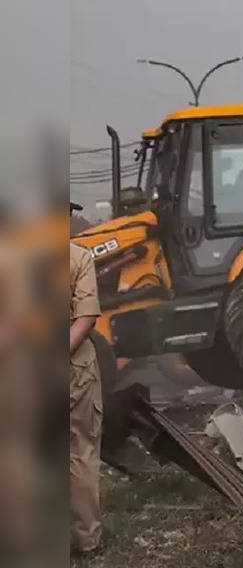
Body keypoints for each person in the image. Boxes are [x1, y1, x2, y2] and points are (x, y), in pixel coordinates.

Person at [68, 237, 102, 555]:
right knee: (81, 450)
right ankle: (87, 542)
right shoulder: (78, 257)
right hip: (74, 366)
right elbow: (86, 318)